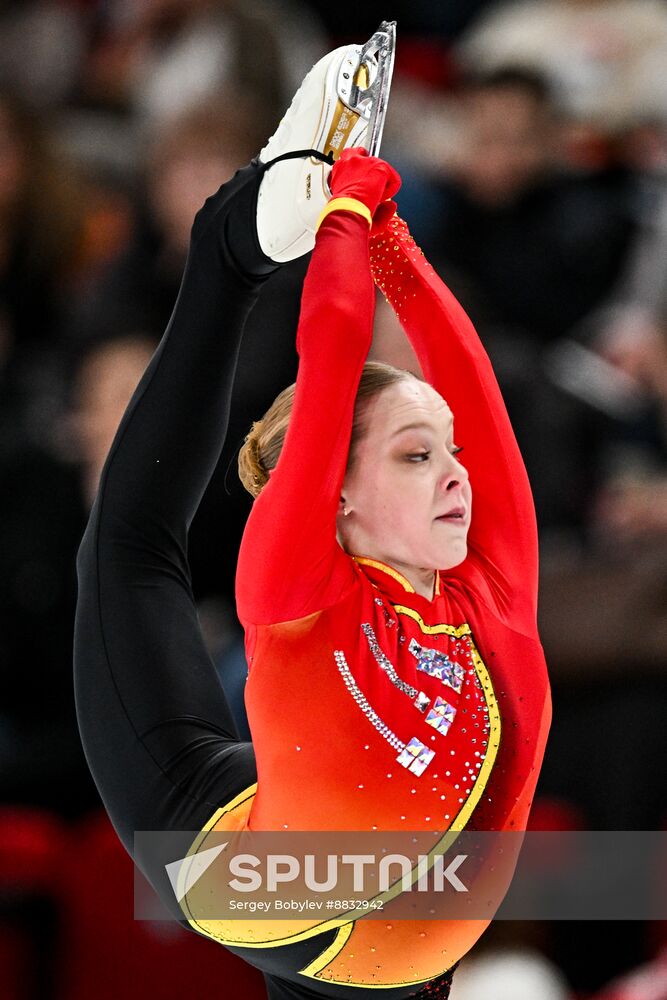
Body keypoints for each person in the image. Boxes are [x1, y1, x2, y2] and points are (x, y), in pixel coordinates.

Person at [74, 41, 551, 1000]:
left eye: (446, 453)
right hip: (253, 884)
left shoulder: (492, 588)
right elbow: (329, 359)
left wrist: (393, 246)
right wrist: (334, 224)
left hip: (382, 952)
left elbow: (473, 391)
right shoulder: (298, 585)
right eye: (417, 457)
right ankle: (233, 241)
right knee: (127, 550)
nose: (459, 476)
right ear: (332, 491)